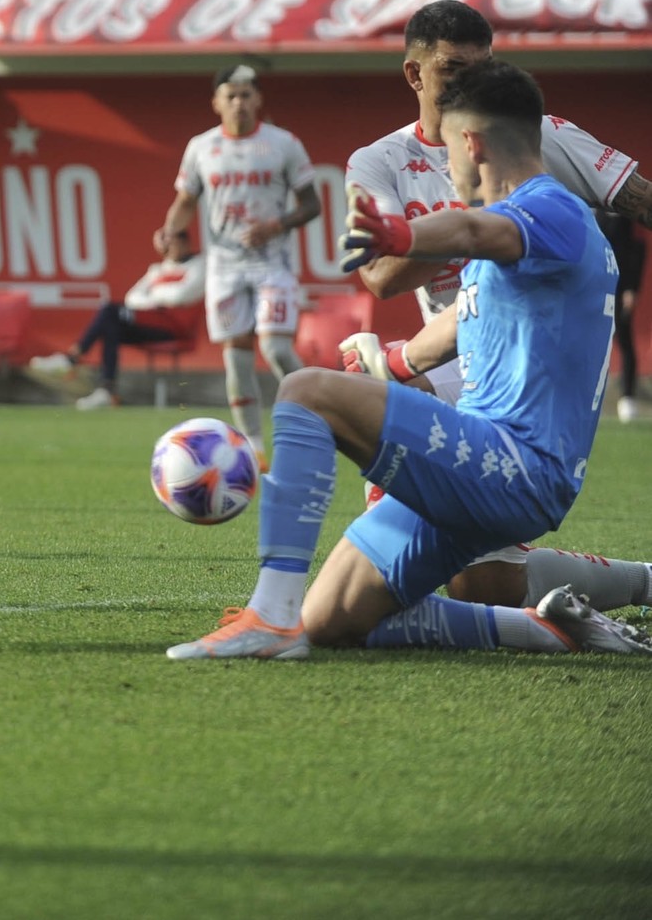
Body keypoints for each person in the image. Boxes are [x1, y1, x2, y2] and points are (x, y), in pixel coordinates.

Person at [169, 60, 652, 661]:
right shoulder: (531, 243)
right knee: (333, 619)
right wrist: (394, 363)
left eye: (448, 151)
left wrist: (404, 238)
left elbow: (477, 231)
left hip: (509, 462)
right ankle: (552, 627)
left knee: (304, 392)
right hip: (488, 473)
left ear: (471, 144)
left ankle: (269, 616)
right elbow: (458, 323)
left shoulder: (550, 209)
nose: (446, 170)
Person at [340, 0, 652, 612]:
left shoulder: (541, 135)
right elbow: (378, 277)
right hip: (448, 353)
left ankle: (301, 609)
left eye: (484, 66)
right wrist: (477, 235)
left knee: (408, 592)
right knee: (485, 590)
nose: (473, 81)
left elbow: (641, 198)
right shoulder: (378, 162)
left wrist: (488, 234)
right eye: (455, 68)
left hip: (527, 371)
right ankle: (639, 583)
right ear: (415, 75)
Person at [159, 64, 323, 464]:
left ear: (258, 100)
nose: (239, 102)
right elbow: (185, 201)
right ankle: (254, 448)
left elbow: (311, 204)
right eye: (230, 95)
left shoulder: (283, 143)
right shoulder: (201, 147)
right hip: (225, 267)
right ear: (216, 102)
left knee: (276, 348)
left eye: (246, 94)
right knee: (236, 354)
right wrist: (168, 231)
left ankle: (319, 420)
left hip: (273, 263)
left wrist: (276, 225)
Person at [31, 228, 204, 409]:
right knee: (111, 324)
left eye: (173, 243)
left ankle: (72, 360)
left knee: (109, 310)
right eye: (167, 244)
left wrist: (152, 295)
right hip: (150, 323)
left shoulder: (200, 264)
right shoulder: (157, 270)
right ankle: (107, 390)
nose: (169, 248)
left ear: (185, 243)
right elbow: (132, 297)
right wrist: (157, 300)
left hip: (174, 328)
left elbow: (182, 295)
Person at [599, 211, 645, 420]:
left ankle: (628, 397)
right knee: (595, 343)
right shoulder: (596, 216)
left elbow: (635, 251)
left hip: (620, 287)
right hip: (597, 288)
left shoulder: (625, 217)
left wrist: (631, 288)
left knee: (624, 339)